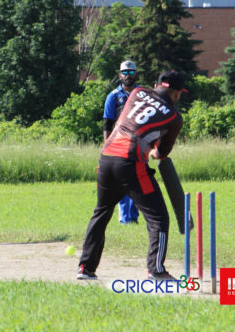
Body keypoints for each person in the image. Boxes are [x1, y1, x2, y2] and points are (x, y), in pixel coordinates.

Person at [78, 70, 186, 280]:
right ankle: (156, 270)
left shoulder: (137, 92)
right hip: (130, 163)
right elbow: (162, 152)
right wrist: (154, 152)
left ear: (156, 85)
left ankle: (85, 268)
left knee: (101, 213)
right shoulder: (174, 116)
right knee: (158, 218)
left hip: (106, 157)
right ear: (176, 93)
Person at [103, 61, 140, 224]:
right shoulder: (113, 96)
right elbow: (107, 123)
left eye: (131, 72)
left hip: (138, 143)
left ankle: (134, 217)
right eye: (125, 72)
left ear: (136, 74)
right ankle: (125, 218)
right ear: (120, 75)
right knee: (122, 181)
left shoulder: (141, 94)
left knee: (137, 180)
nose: (128, 76)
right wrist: (107, 146)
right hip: (119, 144)